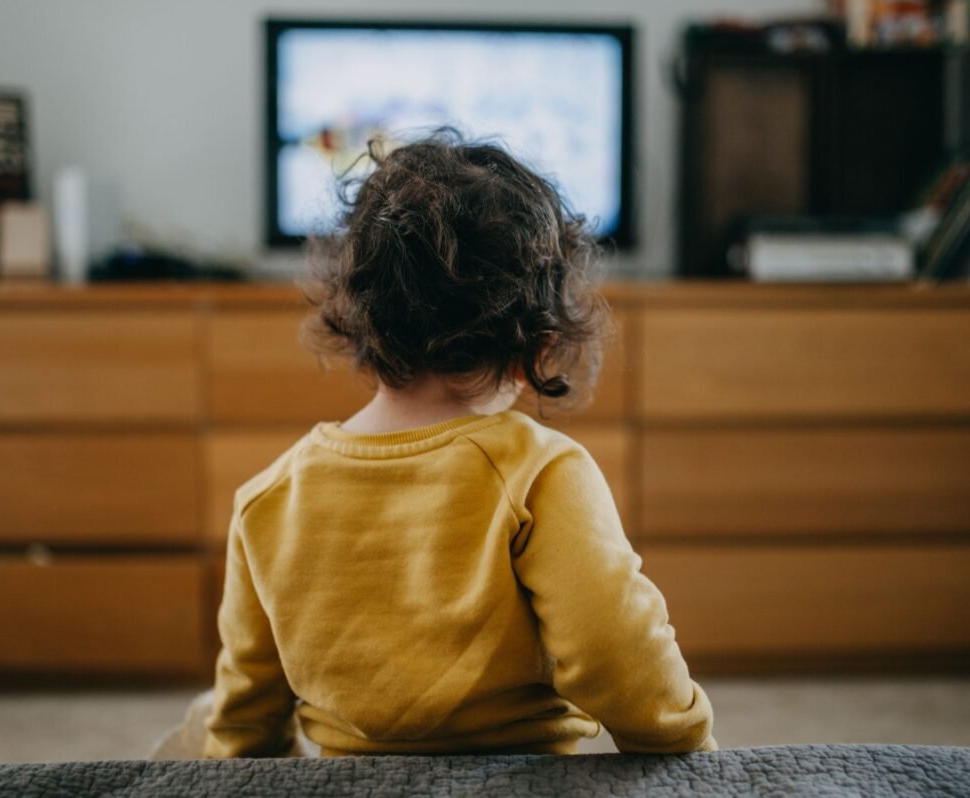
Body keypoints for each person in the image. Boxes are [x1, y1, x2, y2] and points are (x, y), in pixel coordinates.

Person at [203, 130, 715, 758]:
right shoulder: (540, 471)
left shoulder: (269, 495)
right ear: (538, 344)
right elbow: (615, 652)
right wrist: (684, 742)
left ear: (360, 316)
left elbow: (244, 713)